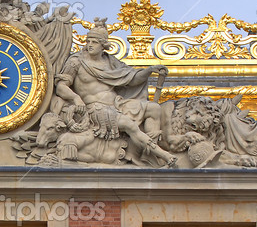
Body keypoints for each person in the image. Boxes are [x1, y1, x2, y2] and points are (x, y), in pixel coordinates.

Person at [54, 20, 174, 166]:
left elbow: (131, 78)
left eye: (94, 42)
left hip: (117, 104)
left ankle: (147, 154)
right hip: (96, 109)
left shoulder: (110, 61)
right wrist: (76, 98)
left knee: (154, 108)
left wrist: (149, 71)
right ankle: (162, 155)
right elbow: (61, 86)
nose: (90, 45)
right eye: (88, 41)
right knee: (130, 125)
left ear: (103, 45)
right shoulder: (76, 61)